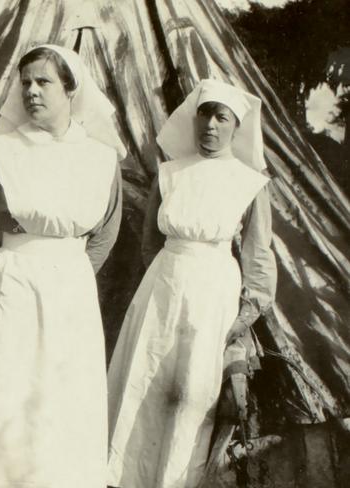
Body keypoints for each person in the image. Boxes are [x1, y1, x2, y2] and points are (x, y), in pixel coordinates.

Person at [0, 45, 124, 488]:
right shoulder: (2, 149)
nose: (32, 92)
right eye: (26, 83)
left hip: (70, 287)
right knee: (4, 390)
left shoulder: (100, 157)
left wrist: (67, 274)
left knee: (59, 395)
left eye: (44, 82)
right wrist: (7, 267)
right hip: (11, 280)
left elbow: (107, 230)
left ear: (71, 90)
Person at [106, 79, 276, 488]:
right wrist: (168, 280)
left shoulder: (249, 183)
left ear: (237, 126)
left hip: (213, 295)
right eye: (205, 114)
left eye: (222, 117)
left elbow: (258, 255)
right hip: (162, 288)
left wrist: (246, 312)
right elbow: (151, 240)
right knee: (143, 383)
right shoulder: (170, 173)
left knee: (191, 395)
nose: (211, 125)